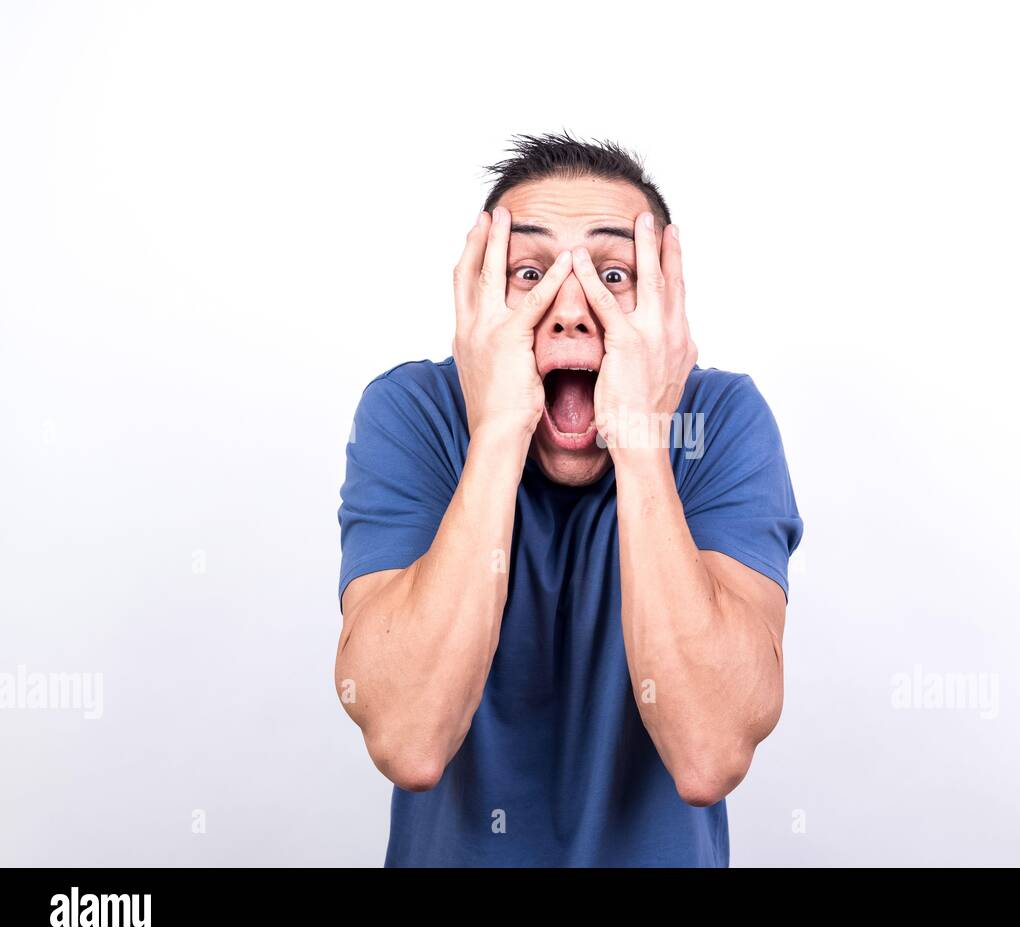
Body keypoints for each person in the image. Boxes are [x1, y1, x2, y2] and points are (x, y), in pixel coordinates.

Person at [334, 133, 803, 866]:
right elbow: (409, 738)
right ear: (477, 297)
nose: (573, 310)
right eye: (530, 272)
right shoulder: (411, 412)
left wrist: (642, 437)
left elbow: (709, 753)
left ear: (666, 304)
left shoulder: (721, 422)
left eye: (614, 275)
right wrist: (497, 428)